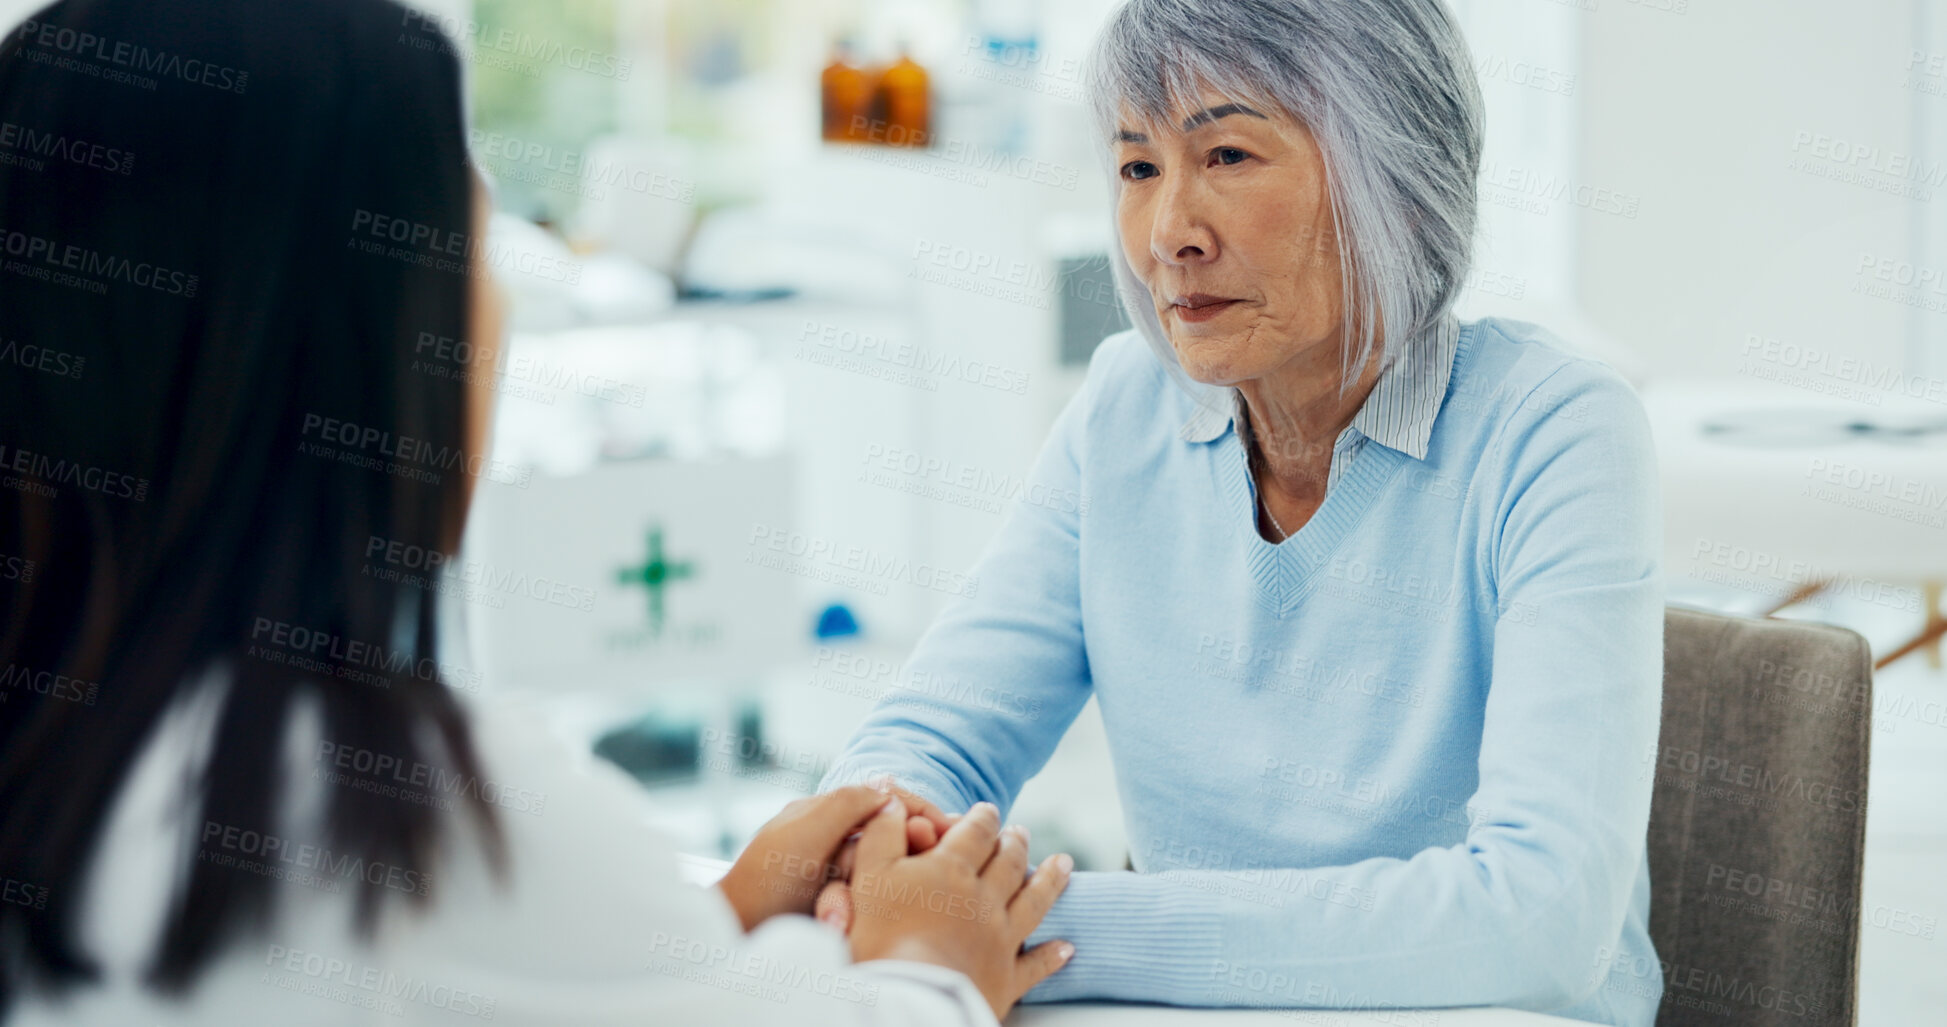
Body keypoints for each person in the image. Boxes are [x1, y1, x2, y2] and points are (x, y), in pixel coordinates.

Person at [0, 0, 1072, 1022]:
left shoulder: (86, 736)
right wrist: (934, 964)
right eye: (474, 251)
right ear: (359, 353)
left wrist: (710, 921)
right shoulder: (400, 816)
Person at [811, 1, 1665, 1024]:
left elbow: (1542, 921)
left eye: (1225, 154)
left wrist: (999, 921)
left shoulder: (1555, 429)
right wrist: (884, 857)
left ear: (1395, 174)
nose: (1169, 233)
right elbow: (929, 740)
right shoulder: (1125, 409)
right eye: (1137, 168)